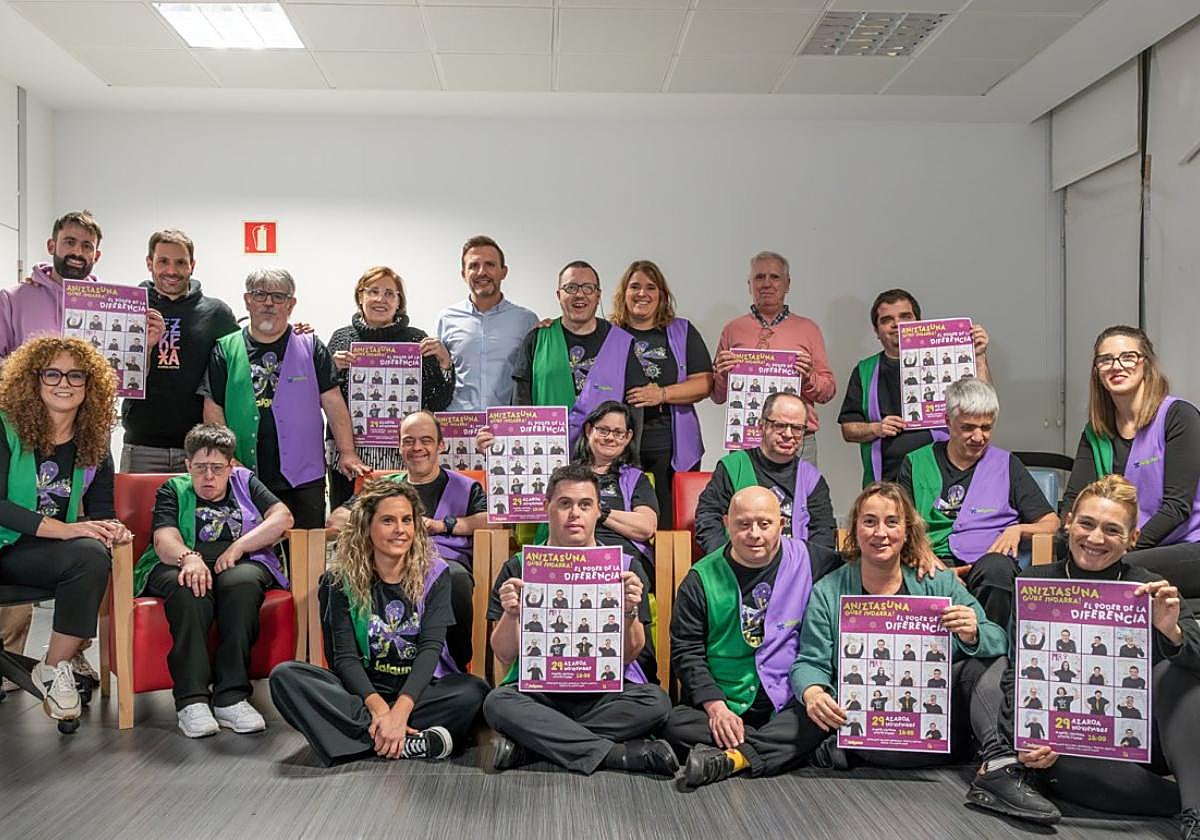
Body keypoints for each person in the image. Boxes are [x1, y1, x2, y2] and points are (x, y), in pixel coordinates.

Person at [967, 475, 1200, 833]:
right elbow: (1018, 670)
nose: (1094, 538)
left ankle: (1191, 809)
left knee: (1175, 673)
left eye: (1112, 530)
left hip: (1137, 742)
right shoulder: (1036, 581)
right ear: (1069, 521)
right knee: (994, 670)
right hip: (1064, 744)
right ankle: (1019, 765)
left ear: (1132, 538)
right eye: (1087, 523)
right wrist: (1023, 738)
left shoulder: (1150, 587)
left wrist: (1171, 630)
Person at [791, 482, 1010, 776]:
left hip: (938, 730)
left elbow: (998, 640)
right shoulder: (829, 591)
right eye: (869, 522)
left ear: (907, 531)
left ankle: (1000, 762)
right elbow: (810, 661)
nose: (880, 533)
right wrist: (813, 692)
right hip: (865, 729)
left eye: (892, 522)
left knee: (990, 661)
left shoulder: (936, 582)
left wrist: (974, 633)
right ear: (854, 529)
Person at [270, 479, 487, 765]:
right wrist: (380, 711)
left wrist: (399, 712)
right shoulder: (339, 580)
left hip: (418, 691)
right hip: (363, 691)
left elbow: (431, 648)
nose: (400, 530)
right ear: (366, 527)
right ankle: (407, 742)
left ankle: (366, 739)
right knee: (286, 677)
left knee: (474, 691)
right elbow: (344, 658)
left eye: (407, 520)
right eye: (388, 521)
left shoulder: (436, 573)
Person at [482, 465, 675, 776]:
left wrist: (628, 613)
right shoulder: (519, 567)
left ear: (598, 511)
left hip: (606, 692)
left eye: (585, 505)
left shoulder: (625, 568)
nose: (575, 514)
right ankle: (615, 755)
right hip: (541, 691)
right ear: (547, 509)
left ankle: (533, 745)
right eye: (564, 503)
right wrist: (512, 613)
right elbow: (503, 654)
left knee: (656, 702)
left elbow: (630, 654)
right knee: (497, 702)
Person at [663, 487, 843, 788]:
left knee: (825, 708)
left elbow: (866, 568)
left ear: (781, 525)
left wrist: (922, 558)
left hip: (788, 698)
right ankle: (788, 749)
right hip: (728, 697)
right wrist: (716, 707)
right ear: (727, 524)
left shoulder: (812, 560)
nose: (754, 534)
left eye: (764, 523)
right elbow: (686, 651)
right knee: (674, 724)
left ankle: (733, 758)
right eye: (743, 524)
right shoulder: (700, 578)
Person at [0, 336, 131, 723]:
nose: (64, 383)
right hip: (5, 542)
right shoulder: (4, 427)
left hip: (34, 553)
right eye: (52, 373)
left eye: (76, 375)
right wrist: (64, 529)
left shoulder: (93, 440)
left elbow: (105, 511)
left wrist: (113, 530)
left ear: (90, 385)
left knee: (93, 553)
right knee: (79, 541)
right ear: (33, 379)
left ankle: (53, 667)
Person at [132, 424, 293, 737]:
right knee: (188, 587)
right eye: (200, 468)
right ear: (188, 465)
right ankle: (191, 700)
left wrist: (240, 546)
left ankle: (231, 697)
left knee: (244, 583)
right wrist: (187, 558)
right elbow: (164, 537)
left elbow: (282, 517)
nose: (208, 477)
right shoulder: (173, 489)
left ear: (230, 466)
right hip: (178, 561)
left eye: (217, 468)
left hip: (240, 562)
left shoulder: (246, 482)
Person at [200, 268, 368, 527]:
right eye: (260, 294)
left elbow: (333, 402)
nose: (269, 303)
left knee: (307, 557)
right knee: (252, 556)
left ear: (291, 305)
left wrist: (347, 452)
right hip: (244, 474)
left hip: (304, 477)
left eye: (278, 296)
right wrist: (226, 458)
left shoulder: (311, 345)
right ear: (247, 300)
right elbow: (213, 408)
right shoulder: (225, 349)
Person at [327, 411, 486, 670]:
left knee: (454, 578)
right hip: (387, 562)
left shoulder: (467, 487)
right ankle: (353, 667)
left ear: (441, 445)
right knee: (334, 579)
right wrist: (375, 519)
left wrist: (443, 525)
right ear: (400, 446)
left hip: (442, 562)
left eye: (426, 440)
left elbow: (492, 519)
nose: (417, 448)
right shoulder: (381, 486)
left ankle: (456, 665)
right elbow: (336, 521)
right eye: (409, 441)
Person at [897, 377, 1059, 627]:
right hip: (931, 559)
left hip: (988, 565)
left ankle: (991, 652)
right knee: (918, 577)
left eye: (986, 428)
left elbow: (1051, 523)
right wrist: (930, 561)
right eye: (968, 427)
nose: (978, 437)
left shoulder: (1006, 464)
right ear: (948, 422)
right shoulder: (915, 462)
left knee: (997, 570)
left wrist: (1018, 529)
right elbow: (901, 524)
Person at [1062, 326, 1200, 598]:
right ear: (1097, 371)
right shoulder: (1095, 432)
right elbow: (1073, 499)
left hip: (1186, 544)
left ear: (1146, 364)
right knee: (1063, 564)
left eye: (1128, 357)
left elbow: (1176, 507)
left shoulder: (1179, 416)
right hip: (1122, 544)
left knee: (1111, 569)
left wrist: (1123, 548)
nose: (1116, 366)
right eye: (1106, 359)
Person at [326, 267, 456, 509]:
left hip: (403, 454)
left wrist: (444, 362)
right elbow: (322, 396)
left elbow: (439, 400)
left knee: (398, 517)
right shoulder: (341, 339)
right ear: (360, 297)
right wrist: (331, 369)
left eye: (389, 293)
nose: (380, 299)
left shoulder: (417, 340)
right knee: (349, 521)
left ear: (399, 302)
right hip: (350, 454)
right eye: (373, 291)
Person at [481, 400, 659, 572]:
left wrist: (600, 512)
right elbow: (517, 484)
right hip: (561, 554)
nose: (610, 437)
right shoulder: (559, 470)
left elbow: (646, 527)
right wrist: (495, 453)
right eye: (603, 430)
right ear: (589, 430)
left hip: (618, 557)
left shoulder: (636, 479)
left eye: (618, 432)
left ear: (628, 437)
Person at [839, 289, 992, 486]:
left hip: (947, 474)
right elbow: (848, 429)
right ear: (877, 331)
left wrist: (979, 357)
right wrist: (876, 428)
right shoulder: (864, 371)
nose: (897, 324)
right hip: (888, 481)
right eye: (887, 320)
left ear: (919, 323)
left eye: (905, 316)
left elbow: (984, 405)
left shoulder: (947, 359)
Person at [120, 230, 238, 474]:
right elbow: (113, 375)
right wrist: (147, 346)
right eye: (163, 261)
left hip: (201, 448)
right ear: (149, 262)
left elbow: (243, 358)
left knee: (198, 514)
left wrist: (294, 332)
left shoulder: (217, 313)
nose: (171, 271)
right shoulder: (128, 309)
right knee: (138, 513)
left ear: (192, 266)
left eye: (180, 262)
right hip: (142, 445)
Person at [609, 260, 712, 524]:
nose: (642, 293)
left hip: (671, 445)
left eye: (651, 287)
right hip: (619, 445)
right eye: (635, 286)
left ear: (662, 295)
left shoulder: (682, 331)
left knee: (669, 522)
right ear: (624, 293)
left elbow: (704, 383)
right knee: (623, 516)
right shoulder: (607, 332)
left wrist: (662, 394)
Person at [711, 251, 835, 467]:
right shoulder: (733, 329)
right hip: (746, 438)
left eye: (774, 277)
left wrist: (808, 378)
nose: (766, 283)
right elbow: (718, 396)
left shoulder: (808, 329)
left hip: (796, 440)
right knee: (744, 499)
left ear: (787, 284)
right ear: (749, 284)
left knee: (798, 501)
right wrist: (722, 374)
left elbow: (828, 392)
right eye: (759, 277)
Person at [511, 261, 648, 447]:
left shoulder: (622, 343)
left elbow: (635, 405)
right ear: (559, 295)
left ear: (598, 295)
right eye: (571, 287)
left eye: (588, 288)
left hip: (605, 460)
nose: (579, 294)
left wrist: (631, 455)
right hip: (548, 455)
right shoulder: (536, 339)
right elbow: (520, 401)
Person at [695, 393, 836, 554]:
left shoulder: (812, 478)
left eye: (797, 428)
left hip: (795, 568)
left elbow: (823, 532)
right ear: (761, 426)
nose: (788, 434)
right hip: (740, 566)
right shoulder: (734, 467)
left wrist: (805, 568)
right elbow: (708, 518)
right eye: (780, 425)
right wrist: (728, 560)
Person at [436, 235, 539, 411]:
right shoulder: (446, 319)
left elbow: (535, 378)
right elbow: (440, 376)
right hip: (458, 426)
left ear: (503, 271)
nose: (482, 272)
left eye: (490, 264)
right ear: (463, 274)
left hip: (507, 426)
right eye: (473, 266)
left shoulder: (526, 320)